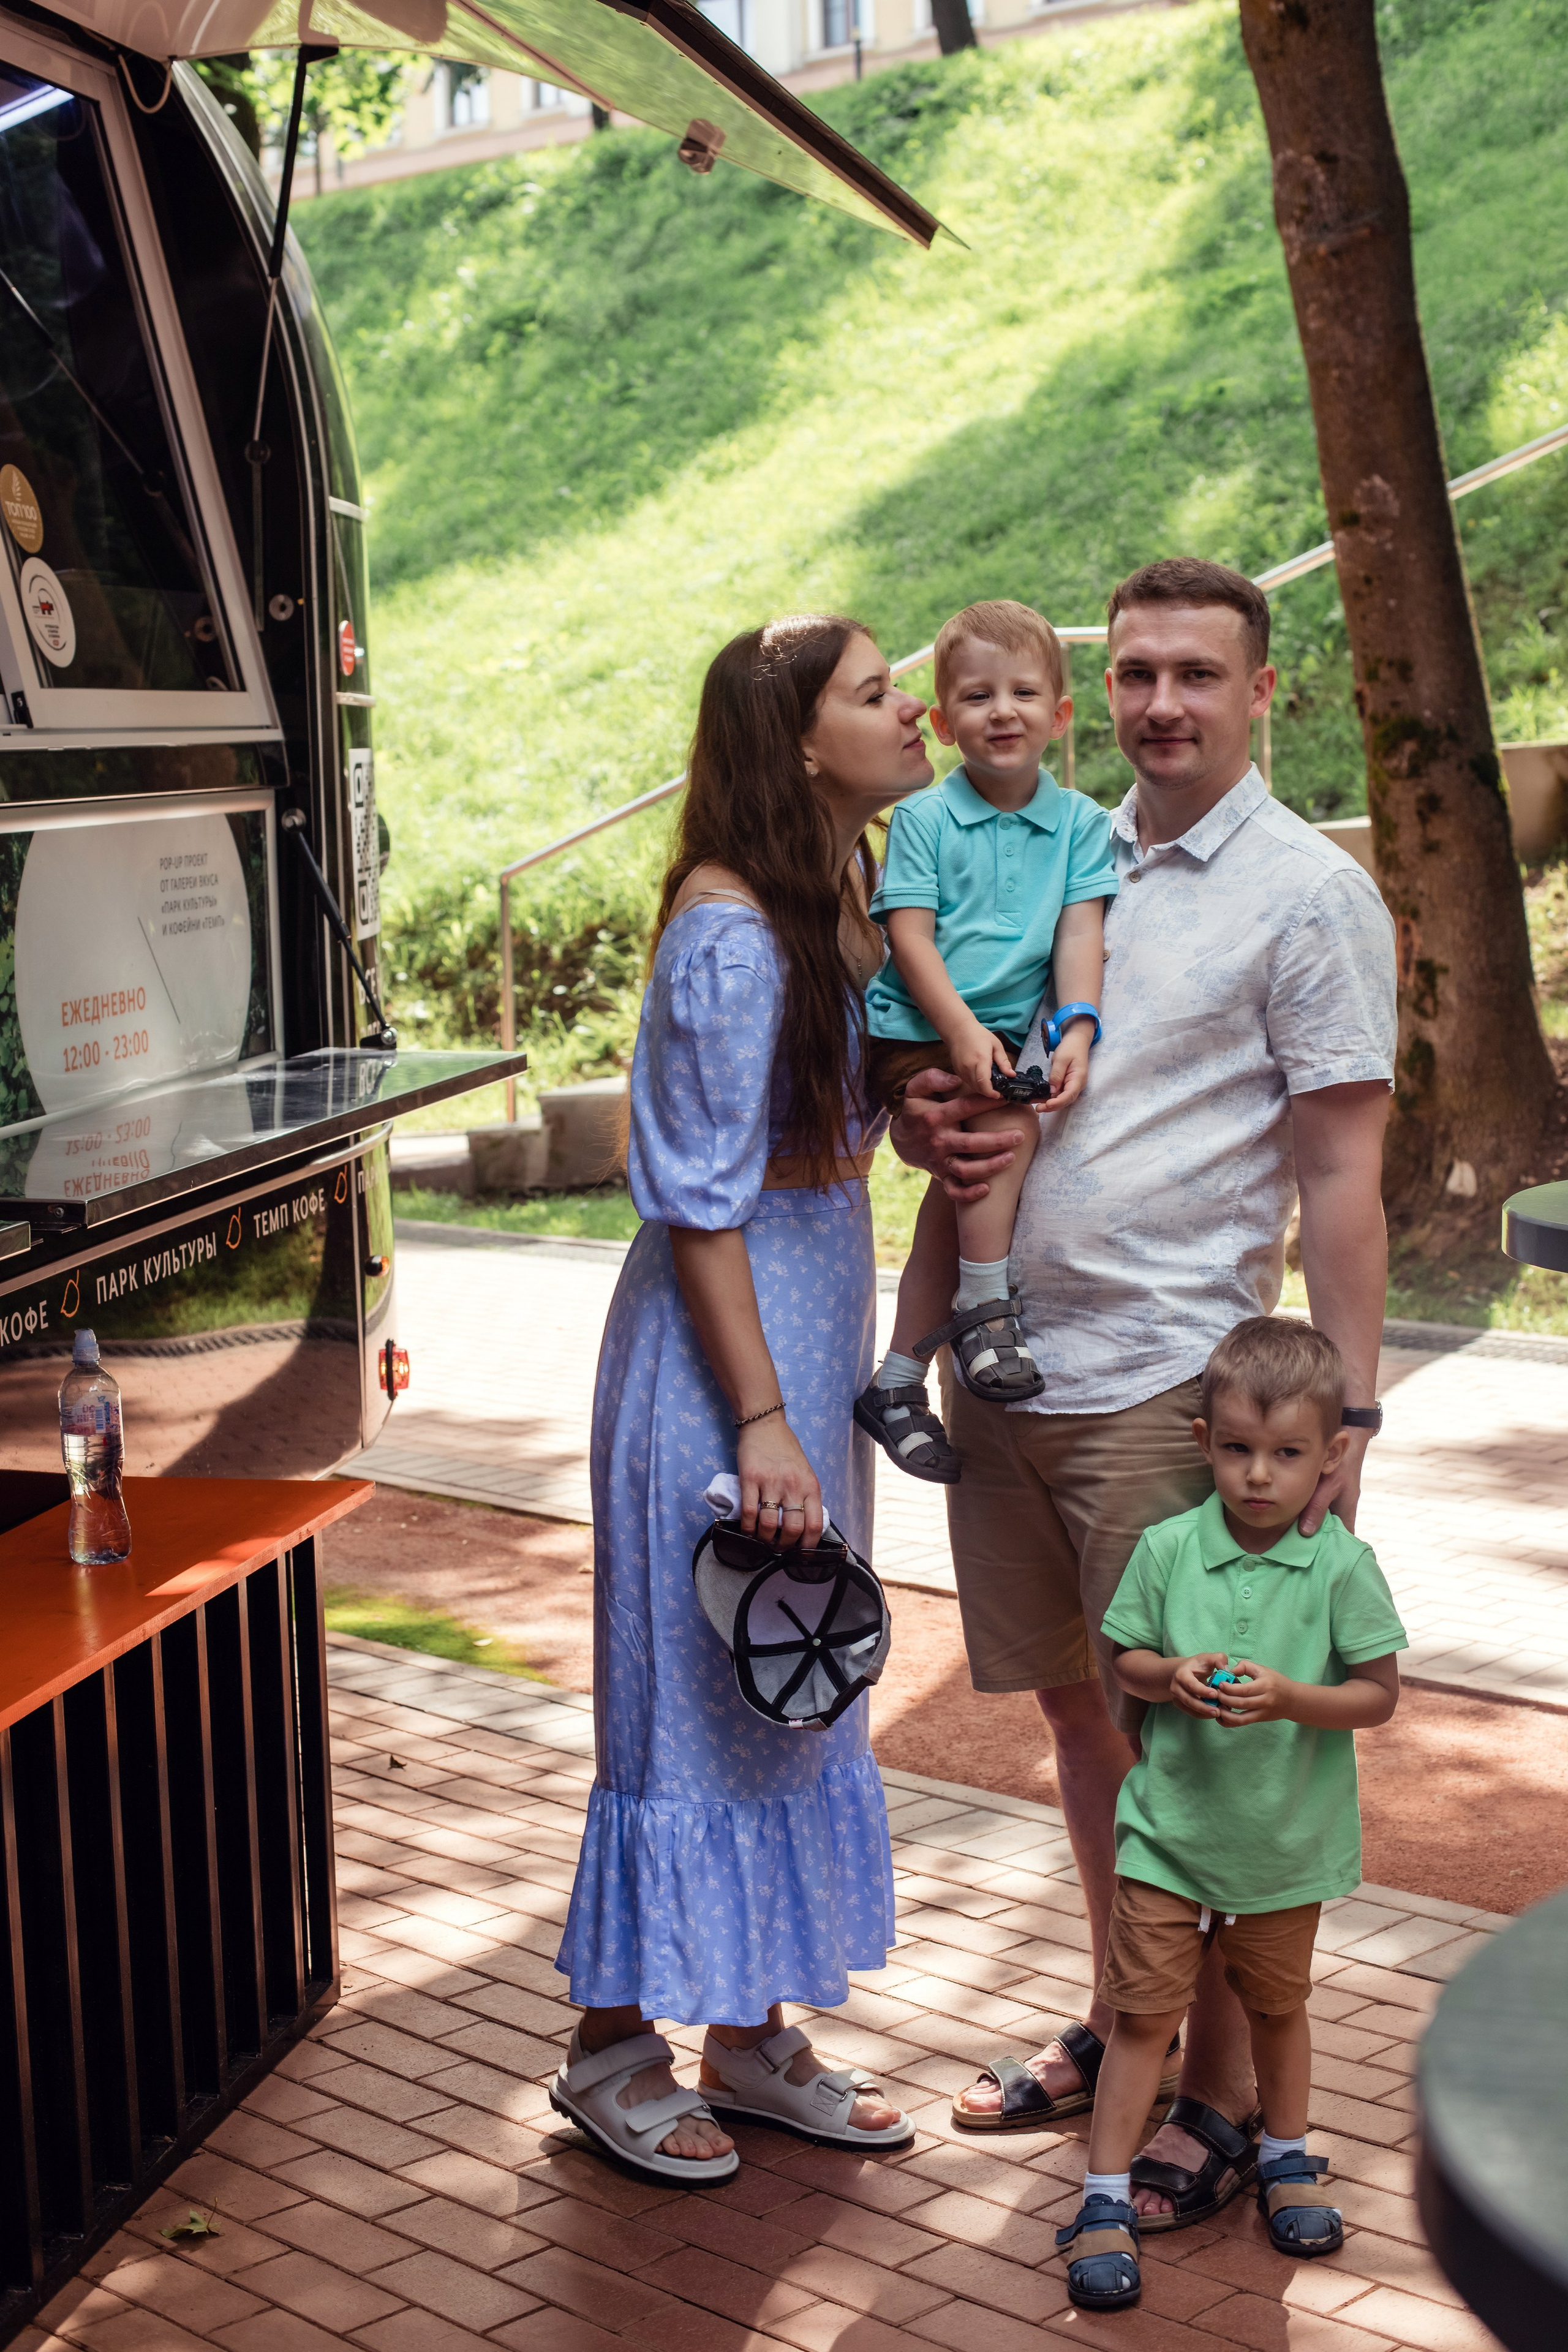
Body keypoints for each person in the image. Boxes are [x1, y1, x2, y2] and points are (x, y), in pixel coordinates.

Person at [891, 557, 1397, 2227]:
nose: (1161, 704)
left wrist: (1350, 1423)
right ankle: (1133, 2021)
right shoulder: (1060, 849)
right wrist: (924, 1116)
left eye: (1196, 674)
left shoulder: (1308, 896)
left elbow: (1339, 1175)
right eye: (1135, 674)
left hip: (1169, 1390)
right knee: (1082, 1722)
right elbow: (974, 1063)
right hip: (1009, 1365)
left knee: (1194, 1751)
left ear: (1267, 691)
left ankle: (1223, 2101)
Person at [552, 614, 930, 2186]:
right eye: (872, 692)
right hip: (719, 1373)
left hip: (796, 1349)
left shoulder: (834, 895)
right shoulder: (725, 931)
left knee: (782, 1681)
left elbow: (836, 1137)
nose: (907, 707)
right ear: (794, 744)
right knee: (684, 1708)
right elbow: (700, 1208)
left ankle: (749, 2034)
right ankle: (610, 2050)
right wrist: (765, 1421)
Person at [1055, 1317, 1406, 2310]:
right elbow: (1123, 1658)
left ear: (1331, 1456)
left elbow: (1379, 1695)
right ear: (1204, 1441)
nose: (1260, 1475)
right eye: (1241, 1450)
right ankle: (1105, 2197)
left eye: (1289, 1454)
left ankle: (1285, 2159)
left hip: (1286, 1848)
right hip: (1167, 1841)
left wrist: (1295, 1697)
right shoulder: (1168, 1549)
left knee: (1279, 2009)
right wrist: (1168, 1675)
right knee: (1139, 2020)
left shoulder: (1342, 1566)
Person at [854, 601, 1117, 1485]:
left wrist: (1077, 1023)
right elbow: (910, 940)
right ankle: (985, 1313)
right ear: (942, 720)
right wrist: (960, 1031)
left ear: (1062, 714)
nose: (1002, 711)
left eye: (1023, 692)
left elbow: (1081, 935)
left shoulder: (1082, 823)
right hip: (916, 1029)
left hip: (1003, 1036)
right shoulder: (925, 821)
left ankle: (896, 1379)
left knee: (965, 1185)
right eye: (976, 695)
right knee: (1004, 1138)